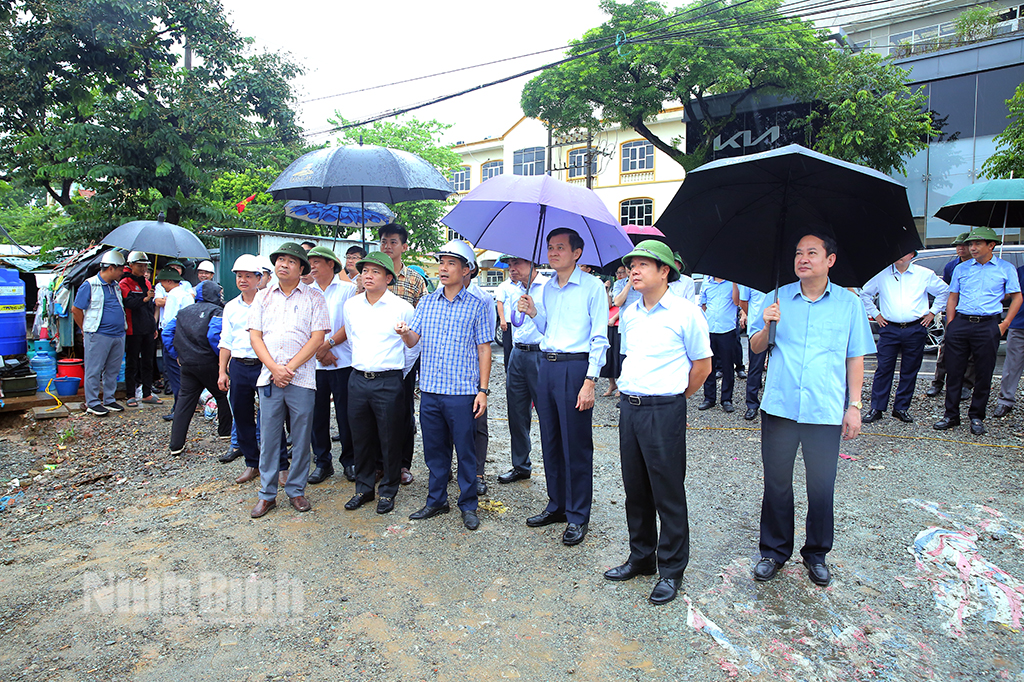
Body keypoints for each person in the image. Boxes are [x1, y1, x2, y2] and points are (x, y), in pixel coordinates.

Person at [749, 233, 874, 588]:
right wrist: (766, 322)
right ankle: (773, 551)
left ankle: (816, 553)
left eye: (812, 253)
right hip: (781, 407)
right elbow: (758, 347)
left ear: (829, 260)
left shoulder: (848, 304)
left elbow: (855, 357)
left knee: (821, 485)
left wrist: (854, 405)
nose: (803, 258)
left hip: (824, 409)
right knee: (776, 483)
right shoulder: (779, 298)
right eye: (798, 252)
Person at [605, 240, 712, 606]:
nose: (633, 270)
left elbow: (702, 366)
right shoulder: (631, 313)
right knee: (635, 489)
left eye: (643, 265)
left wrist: (676, 396)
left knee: (667, 492)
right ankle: (641, 557)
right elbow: (627, 360)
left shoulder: (686, 312)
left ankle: (671, 569)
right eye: (632, 265)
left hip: (664, 409)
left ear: (665, 271)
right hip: (630, 408)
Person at [518, 227, 609, 546]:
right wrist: (533, 312)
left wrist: (590, 381)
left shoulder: (593, 287)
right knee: (551, 439)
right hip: (549, 366)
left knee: (576, 445)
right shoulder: (547, 289)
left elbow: (600, 336)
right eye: (550, 247)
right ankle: (556, 505)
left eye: (560, 248)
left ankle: (577, 515)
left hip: (576, 368)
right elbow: (547, 328)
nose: (553, 253)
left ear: (577, 253)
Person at [397, 240, 492, 530]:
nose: (443, 268)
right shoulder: (426, 303)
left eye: (451, 263)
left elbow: (484, 349)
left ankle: (468, 504)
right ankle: (436, 500)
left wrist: (483, 391)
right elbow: (415, 339)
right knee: (435, 451)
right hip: (431, 391)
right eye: (442, 262)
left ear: (467, 270)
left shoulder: (477, 305)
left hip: (462, 393)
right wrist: (404, 333)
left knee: (465, 451)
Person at [248, 242, 331, 518]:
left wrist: (288, 368)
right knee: (270, 438)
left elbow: (317, 338)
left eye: (291, 261)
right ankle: (266, 494)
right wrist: (274, 367)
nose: (284, 264)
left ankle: (296, 490)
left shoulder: (314, 298)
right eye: (280, 259)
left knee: (301, 436)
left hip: (302, 378)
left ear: (301, 269)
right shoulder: (262, 296)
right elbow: (255, 337)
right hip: (269, 377)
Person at [339, 252, 414, 515]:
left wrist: (397, 374)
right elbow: (350, 338)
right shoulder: (351, 306)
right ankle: (363, 488)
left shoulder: (402, 307)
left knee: (389, 437)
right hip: (358, 378)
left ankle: (388, 490)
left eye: (375, 272)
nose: (367, 276)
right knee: (360, 436)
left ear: (388, 277)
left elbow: (414, 345)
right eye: (365, 271)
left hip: (389, 380)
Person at [934, 227, 1022, 436]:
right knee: (954, 370)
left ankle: (976, 416)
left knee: (984, 372)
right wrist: (951, 323)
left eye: (977, 244)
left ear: (991, 245)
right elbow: (953, 296)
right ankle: (951, 414)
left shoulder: (1005, 268)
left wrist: (1005, 323)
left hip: (988, 324)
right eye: (970, 244)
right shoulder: (962, 269)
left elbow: (1017, 296)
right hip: (961, 322)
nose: (971, 248)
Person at [859, 251, 949, 424]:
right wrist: (876, 314)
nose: (900, 255)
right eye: (897, 251)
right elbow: (865, 294)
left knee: (910, 369)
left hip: (915, 327)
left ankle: (901, 407)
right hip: (889, 327)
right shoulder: (881, 274)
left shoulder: (924, 274)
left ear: (912, 255)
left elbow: (944, 291)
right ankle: (877, 407)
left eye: (905, 252)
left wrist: (932, 312)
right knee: (884, 368)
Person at [380, 224, 428, 486]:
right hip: (377, 356)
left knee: (403, 412)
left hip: (406, 356)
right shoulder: (367, 277)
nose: (388, 247)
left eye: (393, 242)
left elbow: (424, 318)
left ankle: (402, 464)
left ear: (404, 247)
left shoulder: (415, 280)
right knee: (374, 413)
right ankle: (379, 464)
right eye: (384, 242)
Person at [306, 246, 358, 485]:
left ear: (331, 264)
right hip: (314, 365)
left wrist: (328, 344)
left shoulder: (348, 290)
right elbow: (303, 327)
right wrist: (320, 351)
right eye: (310, 262)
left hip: (343, 362)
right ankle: (322, 461)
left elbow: (351, 324)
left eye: (317, 261)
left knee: (347, 415)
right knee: (317, 415)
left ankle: (349, 460)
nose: (312, 266)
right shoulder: (306, 292)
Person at [164, 282, 231, 456]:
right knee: (222, 394)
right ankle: (225, 432)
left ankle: (176, 445)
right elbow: (214, 335)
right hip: (209, 362)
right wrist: (221, 359)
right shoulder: (216, 311)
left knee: (184, 402)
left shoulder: (183, 312)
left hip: (187, 364)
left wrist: (176, 355)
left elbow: (167, 333)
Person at [498, 255, 546, 485]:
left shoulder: (548, 287)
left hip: (541, 353)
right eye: (510, 264)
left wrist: (534, 311)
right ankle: (520, 464)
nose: (512, 269)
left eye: (517, 263)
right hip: (518, 352)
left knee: (546, 413)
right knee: (516, 412)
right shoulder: (512, 288)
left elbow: (552, 323)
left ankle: (554, 466)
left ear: (532, 264)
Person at [218, 255, 265, 483]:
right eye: (239, 276)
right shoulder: (230, 307)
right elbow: (225, 341)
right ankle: (252, 462)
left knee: (270, 416)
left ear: (260, 278)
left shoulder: (268, 302)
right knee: (242, 415)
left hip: (264, 365)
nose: (243, 280)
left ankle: (276, 463)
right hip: (238, 365)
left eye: (248, 276)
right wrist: (222, 371)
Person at [72, 250, 128, 417]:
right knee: (94, 369)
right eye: (120, 270)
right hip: (98, 333)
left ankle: (109, 399)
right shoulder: (90, 284)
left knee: (113, 369)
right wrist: (84, 328)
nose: (121, 273)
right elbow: (76, 309)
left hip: (118, 334)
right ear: (111, 268)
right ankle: (93, 402)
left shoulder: (115, 286)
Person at [464, 255, 498, 496]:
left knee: (477, 422)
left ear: (470, 269)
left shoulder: (483, 299)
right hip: (448, 372)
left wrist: (482, 384)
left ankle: (477, 472)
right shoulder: (434, 299)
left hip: (474, 369)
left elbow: (485, 343)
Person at [926, 233, 975, 399]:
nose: (960, 249)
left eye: (964, 245)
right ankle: (938, 382)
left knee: (971, 353)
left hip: (972, 312)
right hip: (955, 312)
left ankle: (966, 385)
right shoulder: (951, 266)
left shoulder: (979, 266)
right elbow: (947, 291)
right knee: (946, 350)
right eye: (958, 246)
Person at [119, 251, 162, 408]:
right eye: (140, 265)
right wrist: (145, 298)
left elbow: (150, 308)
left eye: (145, 266)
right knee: (132, 362)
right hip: (133, 328)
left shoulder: (147, 283)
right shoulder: (125, 283)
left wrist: (154, 326)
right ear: (131, 266)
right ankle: (130, 394)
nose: (143, 268)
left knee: (148, 362)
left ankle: (147, 392)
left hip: (148, 328)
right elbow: (129, 303)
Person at [154, 267, 194, 421]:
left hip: (173, 337)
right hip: (186, 337)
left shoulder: (172, 296)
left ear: (169, 281)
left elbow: (169, 320)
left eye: (163, 281)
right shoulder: (186, 295)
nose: (162, 285)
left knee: (174, 375)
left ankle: (178, 408)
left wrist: (167, 342)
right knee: (183, 374)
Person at [698, 276, 738, 413]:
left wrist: (734, 284)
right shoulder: (707, 282)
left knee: (727, 366)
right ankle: (709, 398)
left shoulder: (732, 283)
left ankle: (726, 399)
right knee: (709, 366)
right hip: (709, 329)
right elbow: (703, 305)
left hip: (727, 329)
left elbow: (737, 301)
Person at [735, 283, 769, 421]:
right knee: (755, 368)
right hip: (758, 330)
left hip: (780, 331)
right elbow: (743, 302)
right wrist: (757, 317)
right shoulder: (751, 281)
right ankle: (752, 405)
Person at [995, 260, 1024, 418]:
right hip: (1019, 324)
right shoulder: (1019, 272)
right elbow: (1007, 294)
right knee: (1012, 365)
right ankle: (1005, 400)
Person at [603, 265, 629, 396]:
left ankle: (622, 385)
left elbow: (624, 306)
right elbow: (612, 303)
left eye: (622, 272)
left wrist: (614, 318)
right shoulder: (617, 285)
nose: (619, 275)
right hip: (611, 323)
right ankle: (612, 383)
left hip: (619, 321)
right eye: (617, 273)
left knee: (621, 356)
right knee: (610, 355)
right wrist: (606, 290)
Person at [494, 260, 520, 371]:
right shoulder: (503, 286)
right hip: (508, 322)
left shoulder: (522, 285)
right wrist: (502, 320)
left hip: (520, 322)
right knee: (508, 348)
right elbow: (500, 303)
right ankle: (508, 371)